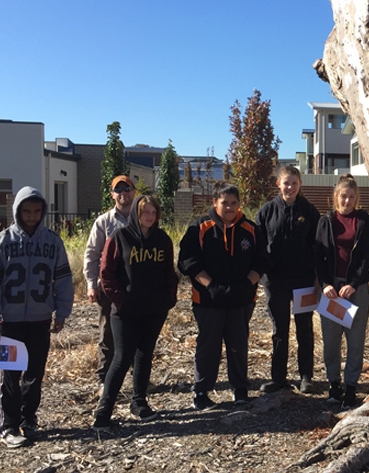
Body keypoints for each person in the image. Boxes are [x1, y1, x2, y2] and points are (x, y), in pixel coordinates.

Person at [0, 186, 74, 448]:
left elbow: (63, 280)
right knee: (10, 375)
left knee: (34, 374)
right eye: (26, 211)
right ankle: (9, 426)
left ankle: (28, 419)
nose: (31, 216)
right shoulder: (2, 242)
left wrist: (62, 312)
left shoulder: (53, 242)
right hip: (8, 322)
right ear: (17, 212)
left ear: (43, 211)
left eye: (36, 211)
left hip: (40, 320)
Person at [92, 196, 178, 431]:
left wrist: (169, 299)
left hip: (154, 309)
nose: (149, 217)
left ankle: (139, 403)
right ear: (135, 214)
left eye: (153, 212)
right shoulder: (119, 237)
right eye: (144, 212)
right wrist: (120, 301)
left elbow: (169, 271)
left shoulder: (162, 239)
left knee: (145, 355)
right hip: (125, 311)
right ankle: (103, 413)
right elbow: (106, 274)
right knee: (121, 358)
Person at [178, 184, 266, 409]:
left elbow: (262, 261)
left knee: (238, 344)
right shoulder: (199, 228)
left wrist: (247, 284)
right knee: (209, 345)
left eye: (233, 203)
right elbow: (188, 261)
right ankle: (201, 391)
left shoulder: (251, 229)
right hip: (208, 300)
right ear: (214, 203)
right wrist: (212, 286)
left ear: (239, 204)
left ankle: (240, 389)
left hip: (241, 300)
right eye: (224, 202)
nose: (229, 207)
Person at [255, 165, 321, 394]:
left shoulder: (310, 212)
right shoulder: (266, 212)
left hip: (303, 281)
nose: (290, 187)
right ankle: (278, 378)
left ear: (300, 184)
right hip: (276, 282)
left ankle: (306, 377)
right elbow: (258, 247)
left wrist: (316, 277)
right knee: (279, 330)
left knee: (304, 328)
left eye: (294, 182)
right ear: (278, 184)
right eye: (286, 183)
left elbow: (318, 246)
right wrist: (264, 275)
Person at [314, 174, 369, 408]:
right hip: (331, 290)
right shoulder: (326, 221)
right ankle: (334, 385)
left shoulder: (364, 221)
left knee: (355, 340)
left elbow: (367, 256)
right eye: (343, 196)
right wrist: (326, 284)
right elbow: (318, 257)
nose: (347, 201)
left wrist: (354, 283)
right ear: (336, 197)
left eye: (351, 197)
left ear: (356, 198)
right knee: (331, 341)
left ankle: (351, 387)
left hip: (355, 289)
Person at [83, 175, 136, 392]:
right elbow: (92, 254)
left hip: (136, 287)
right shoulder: (103, 222)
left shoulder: (143, 217)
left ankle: (138, 378)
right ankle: (104, 379)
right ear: (112, 194)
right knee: (108, 334)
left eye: (127, 188)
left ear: (134, 191)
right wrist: (91, 284)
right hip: (108, 288)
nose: (123, 193)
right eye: (119, 189)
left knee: (137, 333)